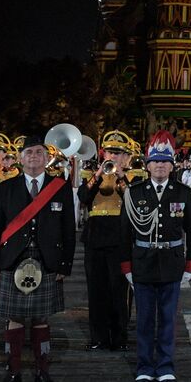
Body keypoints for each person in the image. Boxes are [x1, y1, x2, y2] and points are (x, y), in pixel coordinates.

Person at [0, 130, 77, 382]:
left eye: (39, 152)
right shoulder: (5, 188)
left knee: (41, 316)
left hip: (47, 259)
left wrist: (64, 265)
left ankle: (42, 367)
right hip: (12, 259)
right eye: (29, 153)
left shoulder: (59, 187)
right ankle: (14, 368)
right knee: (13, 316)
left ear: (46, 158)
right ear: (20, 158)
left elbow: (68, 229)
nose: (34, 157)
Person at [121, 130, 191, 381]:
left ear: (172, 165)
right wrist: (126, 266)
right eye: (155, 161)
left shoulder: (183, 193)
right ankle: (144, 367)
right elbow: (125, 234)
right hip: (142, 261)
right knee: (144, 319)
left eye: (165, 161)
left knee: (167, 320)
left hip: (171, 262)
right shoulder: (133, 192)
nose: (160, 165)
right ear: (147, 165)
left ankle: (165, 366)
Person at [78, 130, 134, 352]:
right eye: (110, 152)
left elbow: (133, 201)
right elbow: (83, 197)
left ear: (127, 157)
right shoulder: (93, 174)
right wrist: (99, 174)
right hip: (95, 238)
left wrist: (120, 177)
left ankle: (119, 336)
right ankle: (98, 337)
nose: (114, 157)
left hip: (120, 239)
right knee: (96, 290)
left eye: (119, 153)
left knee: (119, 290)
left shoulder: (134, 176)